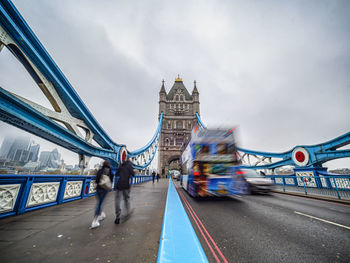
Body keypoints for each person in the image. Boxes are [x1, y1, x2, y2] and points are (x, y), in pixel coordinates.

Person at [91, 160, 113, 229]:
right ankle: (95, 220)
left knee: (99, 202)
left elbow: (97, 180)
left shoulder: (100, 171)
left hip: (98, 189)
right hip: (104, 190)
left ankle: (100, 214)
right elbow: (111, 181)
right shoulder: (110, 172)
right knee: (100, 204)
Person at [115, 157, 135, 224]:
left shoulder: (121, 164)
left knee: (118, 200)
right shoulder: (129, 165)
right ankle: (126, 213)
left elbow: (116, 174)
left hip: (119, 184)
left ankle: (117, 216)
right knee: (126, 199)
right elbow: (133, 174)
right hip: (126, 185)